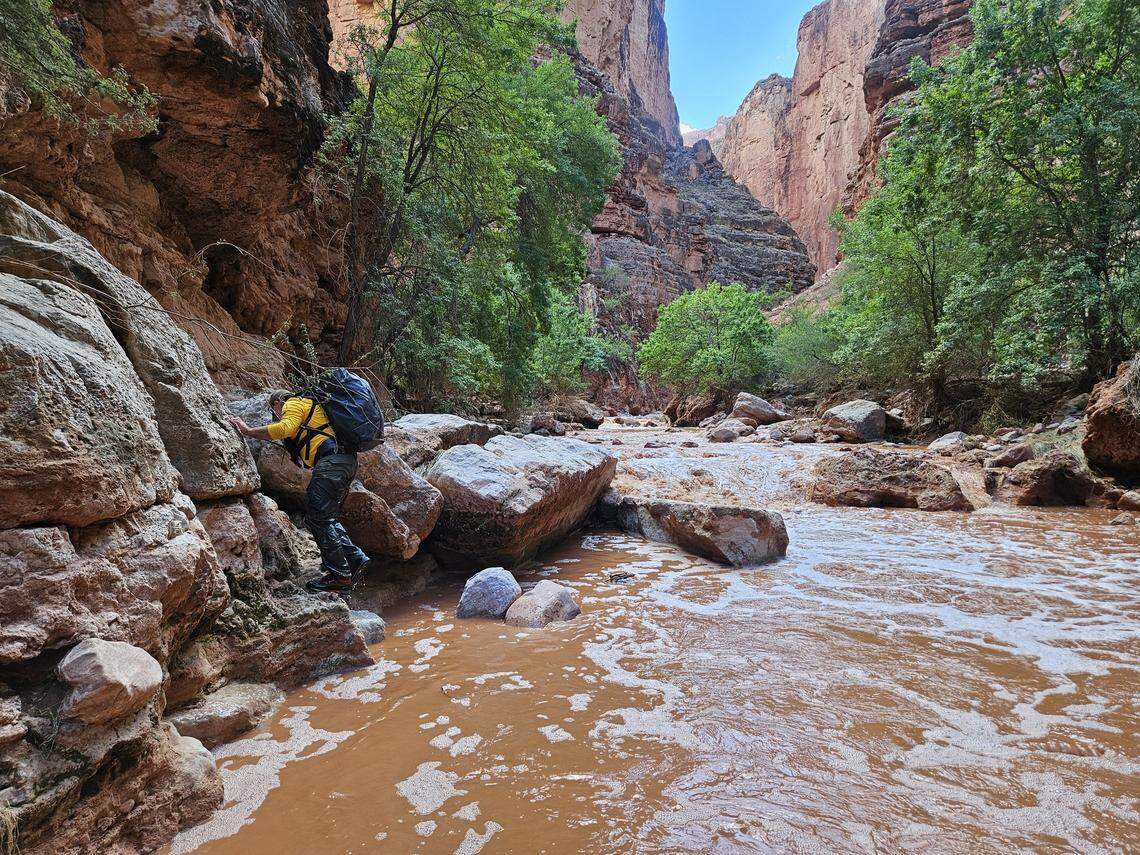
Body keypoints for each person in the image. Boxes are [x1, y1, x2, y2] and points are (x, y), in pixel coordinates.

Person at [230, 390, 369, 592]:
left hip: (332, 462)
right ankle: (354, 559)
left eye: (275, 411)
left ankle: (339, 575)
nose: (278, 414)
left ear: (278, 402)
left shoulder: (293, 403)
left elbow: (286, 427)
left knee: (318, 517)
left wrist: (248, 431)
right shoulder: (313, 408)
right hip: (345, 461)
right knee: (325, 516)